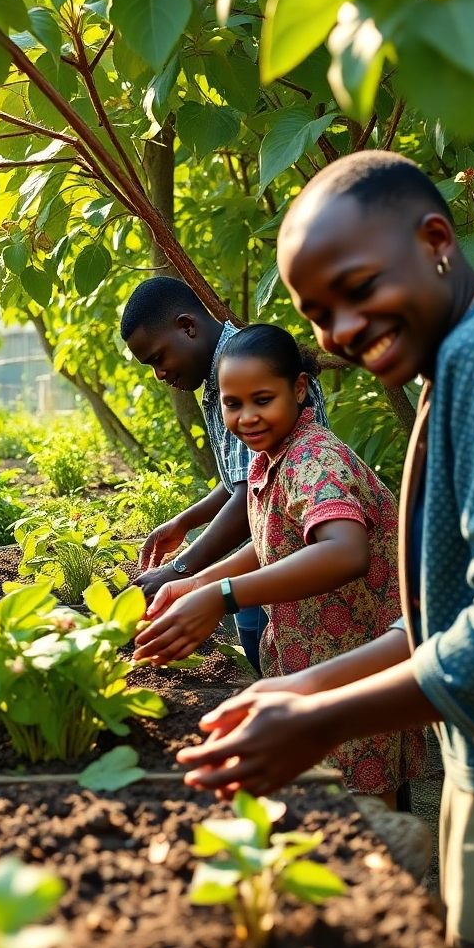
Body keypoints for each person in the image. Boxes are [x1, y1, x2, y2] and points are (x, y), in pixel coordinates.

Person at [176, 151, 474, 948]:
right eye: (317, 313)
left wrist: (325, 721)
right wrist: (306, 686)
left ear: (436, 239)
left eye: (357, 287)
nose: (338, 332)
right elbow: (450, 617)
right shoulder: (464, 362)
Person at [135, 323, 424, 806]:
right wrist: (197, 582)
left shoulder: (317, 460)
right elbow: (276, 541)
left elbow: (343, 551)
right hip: (311, 661)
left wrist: (223, 595)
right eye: (233, 404)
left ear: (299, 389)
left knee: (365, 806)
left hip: (353, 671)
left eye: (262, 399)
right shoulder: (271, 456)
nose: (247, 417)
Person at [121, 277, 329, 672]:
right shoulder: (222, 375)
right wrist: (185, 522)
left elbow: (254, 493)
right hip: (266, 557)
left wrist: (182, 568)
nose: (160, 374)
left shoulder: (245, 369)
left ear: (187, 327)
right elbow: (247, 478)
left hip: (297, 569)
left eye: (158, 358)